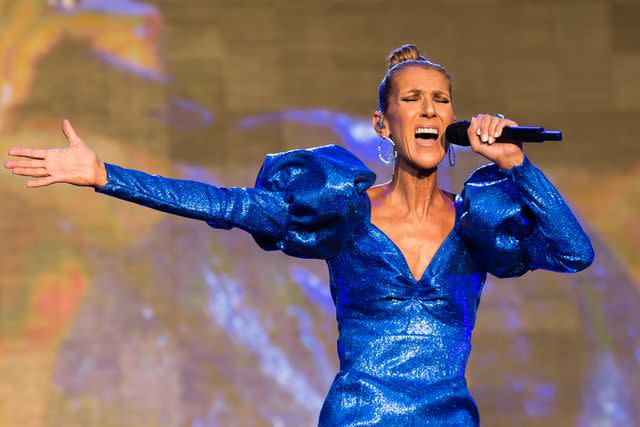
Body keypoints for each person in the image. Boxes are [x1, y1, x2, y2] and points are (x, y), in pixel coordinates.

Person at [4, 44, 593, 425]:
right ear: (384, 125)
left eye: (442, 100)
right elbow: (226, 203)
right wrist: (105, 175)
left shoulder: (474, 224)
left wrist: (518, 165)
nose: (431, 110)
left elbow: (575, 251)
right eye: (412, 100)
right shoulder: (341, 210)